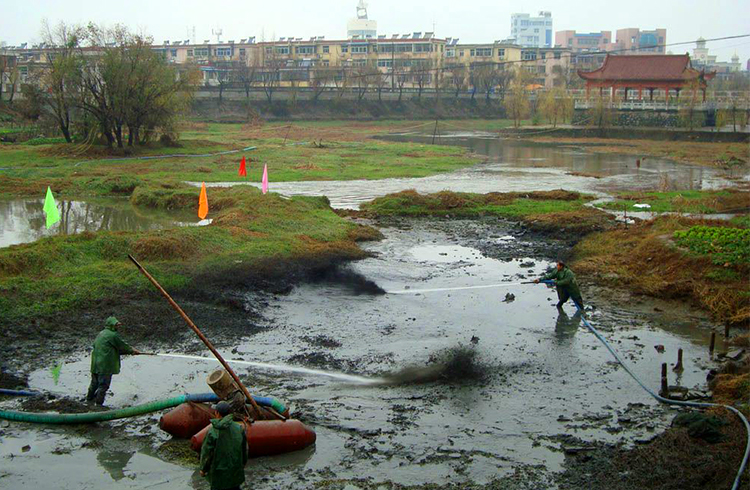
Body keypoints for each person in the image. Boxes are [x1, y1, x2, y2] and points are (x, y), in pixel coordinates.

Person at [86, 316, 141, 406]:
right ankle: (98, 405)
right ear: (112, 325)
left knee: (94, 383)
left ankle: (88, 400)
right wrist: (132, 351)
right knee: (103, 386)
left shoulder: (101, 333)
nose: (118, 327)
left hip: (95, 364)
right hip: (105, 365)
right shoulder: (113, 335)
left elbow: (107, 347)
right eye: (116, 325)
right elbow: (122, 346)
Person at [200, 401, 249, 490]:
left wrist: (203, 469)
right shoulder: (239, 429)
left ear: (217, 413)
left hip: (219, 475)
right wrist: (242, 464)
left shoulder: (213, 432)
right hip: (235, 472)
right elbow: (245, 450)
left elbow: (207, 453)